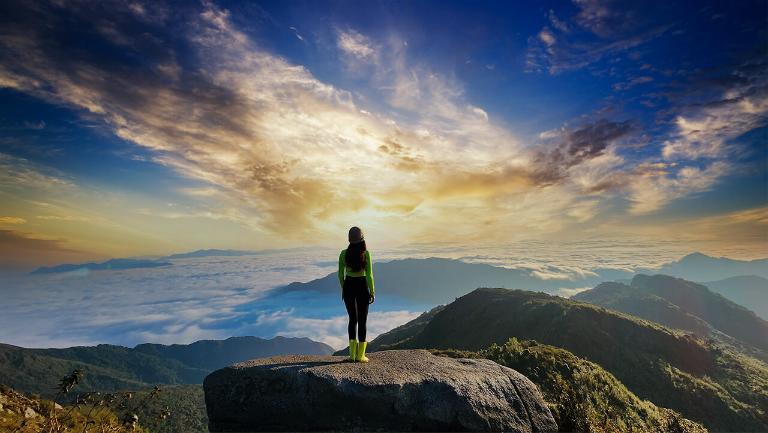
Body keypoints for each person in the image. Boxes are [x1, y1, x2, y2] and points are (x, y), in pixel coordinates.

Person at [338, 226, 375, 362]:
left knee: (352, 320)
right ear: (362, 239)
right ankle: (361, 356)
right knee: (362, 321)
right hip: (362, 286)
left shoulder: (343, 253)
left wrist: (344, 288)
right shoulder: (366, 254)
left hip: (348, 286)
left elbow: (340, 275)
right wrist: (372, 291)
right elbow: (370, 275)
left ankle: (352, 355)